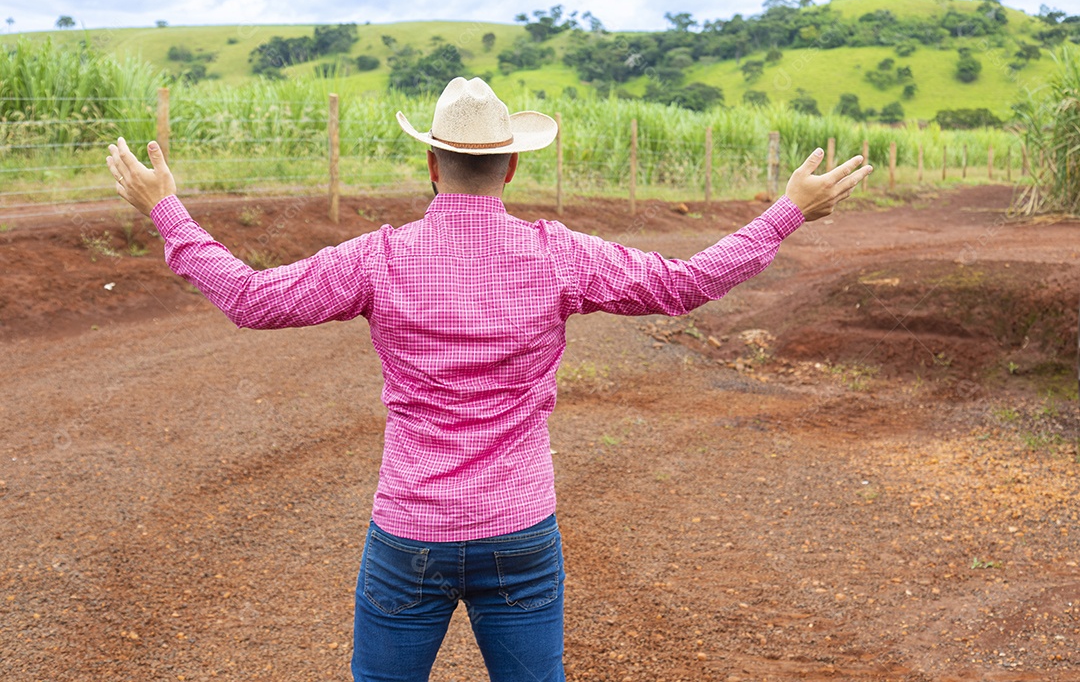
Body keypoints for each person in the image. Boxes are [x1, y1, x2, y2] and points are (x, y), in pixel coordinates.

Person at [106, 76, 872, 682]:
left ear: (432, 165)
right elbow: (682, 283)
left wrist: (164, 207)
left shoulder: (379, 257)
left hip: (409, 528)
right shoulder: (558, 254)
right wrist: (787, 212)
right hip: (519, 528)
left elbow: (250, 298)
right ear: (510, 164)